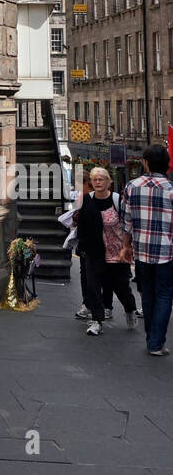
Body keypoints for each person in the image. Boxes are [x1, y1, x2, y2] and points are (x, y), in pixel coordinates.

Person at [121, 145, 173, 356]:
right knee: (164, 295)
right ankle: (156, 342)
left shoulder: (131, 186)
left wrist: (126, 246)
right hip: (166, 252)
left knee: (147, 294)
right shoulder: (170, 189)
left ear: (146, 162)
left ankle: (152, 338)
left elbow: (126, 222)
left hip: (141, 251)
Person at [74, 174, 138, 335]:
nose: (97, 182)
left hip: (116, 251)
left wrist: (127, 246)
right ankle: (97, 320)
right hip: (93, 250)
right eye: (94, 179)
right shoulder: (87, 199)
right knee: (93, 286)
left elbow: (127, 223)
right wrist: (82, 245)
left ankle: (130, 309)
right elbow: (82, 223)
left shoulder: (117, 200)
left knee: (121, 286)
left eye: (101, 179)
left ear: (109, 182)